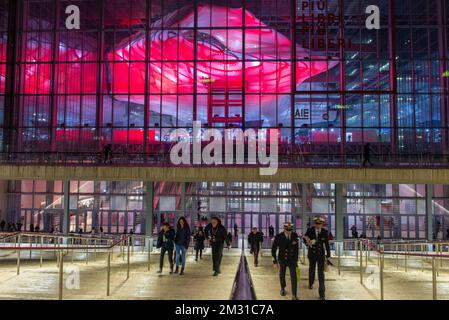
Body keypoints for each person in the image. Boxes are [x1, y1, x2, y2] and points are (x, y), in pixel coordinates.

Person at [304, 217, 331, 300]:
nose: (318, 225)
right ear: (314, 224)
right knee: (311, 269)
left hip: (320, 255)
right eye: (316, 224)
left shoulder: (324, 232)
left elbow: (326, 244)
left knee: (321, 273)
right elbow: (304, 238)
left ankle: (322, 294)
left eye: (320, 224)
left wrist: (328, 255)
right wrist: (308, 242)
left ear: (322, 224)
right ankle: (311, 283)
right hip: (312, 254)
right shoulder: (310, 230)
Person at [271, 223, 299, 300]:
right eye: (287, 230)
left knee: (294, 276)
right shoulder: (279, 237)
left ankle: (294, 294)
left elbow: (296, 249)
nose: (289, 232)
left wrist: (296, 260)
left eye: (290, 230)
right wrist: (274, 261)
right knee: (282, 274)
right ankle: (283, 288)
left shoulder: (294, 235)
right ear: (284, 229)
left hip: (292, 260)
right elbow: (273, 250)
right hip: (282, 259)